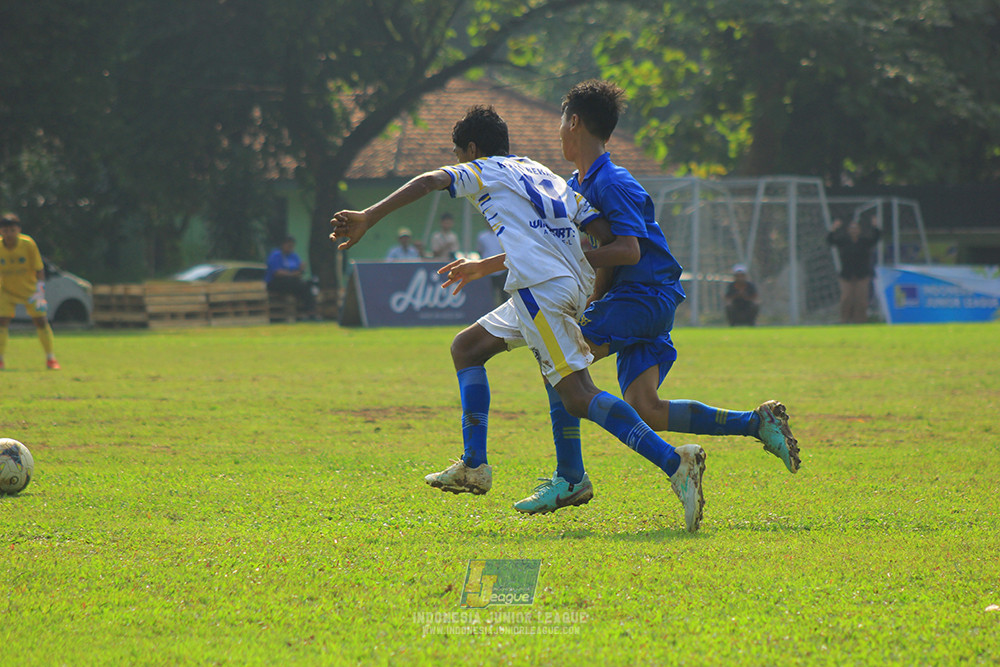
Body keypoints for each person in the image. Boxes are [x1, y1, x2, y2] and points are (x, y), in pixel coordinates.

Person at [332, 105, 707, 533]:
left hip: (539, 290)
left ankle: (673, 462)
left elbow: (429, 181)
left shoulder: (482, 169)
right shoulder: (541, 172)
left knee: (578, 395)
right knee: (467, 347)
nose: (456, 162)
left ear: (472, 149)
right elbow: (602, 233)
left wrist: (367, 216)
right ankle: (474, 464)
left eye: (458, 154)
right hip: (554, 283)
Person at [508, 80, 799, 516]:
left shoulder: (613, 181)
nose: (559, 133)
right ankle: (756, 423)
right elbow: (603, 253)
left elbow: (628, 250)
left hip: (642, 297)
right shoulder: (578, 183)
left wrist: (579, 263)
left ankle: (569, 477)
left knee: (561, 365)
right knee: (647, 408)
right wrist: (591, 294)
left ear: (574, 122)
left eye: (560, 123)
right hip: (638, 300)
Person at [0, 213, 60, 370]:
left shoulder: (28, 244)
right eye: (5, 231)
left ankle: (50, 358)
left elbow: (39, 269)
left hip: (30, 291)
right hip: (6, 291)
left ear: (18, 230)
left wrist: (40, 291)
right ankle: (0, 359)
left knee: (41, 321)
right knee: (2, 321)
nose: (9, 234)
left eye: (12, 230)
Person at [827, 215, 881, 324]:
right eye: (852, 228)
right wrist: (833, 229)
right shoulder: (844, 241)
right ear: (848, 230)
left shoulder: (864, 242)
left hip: (862, 275)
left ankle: (860, 320)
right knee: (846, 298)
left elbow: (876, 238)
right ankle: (844, 320)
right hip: (847, 275)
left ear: (859, 230)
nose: (854, 230)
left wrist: (875, 226)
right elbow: (830, 241)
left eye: (856, 228)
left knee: (861, 299)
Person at [265, 236, 317, 319]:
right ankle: (305, 312)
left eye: (292, 246)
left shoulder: (293, 256)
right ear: (283, 245)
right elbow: (277, 272)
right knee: (298, 285)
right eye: (289, 246)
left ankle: (309, 312)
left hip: (292, 282)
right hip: (276, 282)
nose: (291, 248)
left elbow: (299, 270)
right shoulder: (276, 255)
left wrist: (301, 269)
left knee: (307, 285)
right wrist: (292, 274)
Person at [476, 219, 507, 306]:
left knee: (503, 294)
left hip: (501, 269)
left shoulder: (502, 236)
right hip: (488, 270)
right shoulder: (482, 237)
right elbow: (480, 251)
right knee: (488, 294)